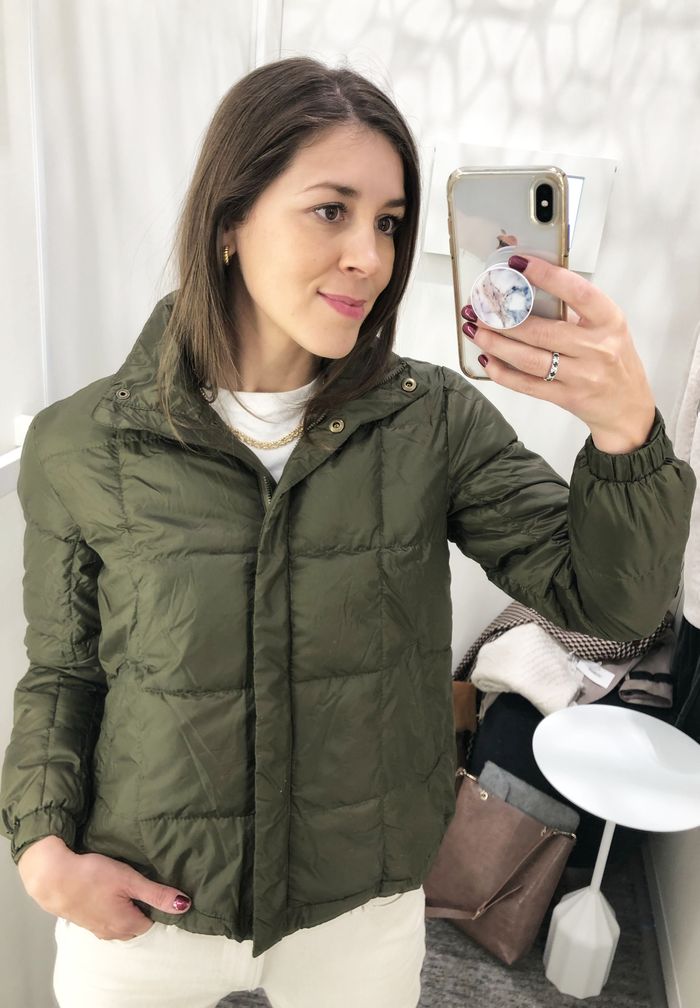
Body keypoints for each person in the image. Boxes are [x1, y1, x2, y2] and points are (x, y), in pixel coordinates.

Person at [0, 55, 694, 1008]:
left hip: (357, 912)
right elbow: (63, 674)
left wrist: (626, 436)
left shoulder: (434, 422)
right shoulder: (80, 441)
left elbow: (610, 605)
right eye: (331, 210)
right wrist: (40, 847)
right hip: (145, 900)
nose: (370, 256)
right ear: (229, 223)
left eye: (391, 222)